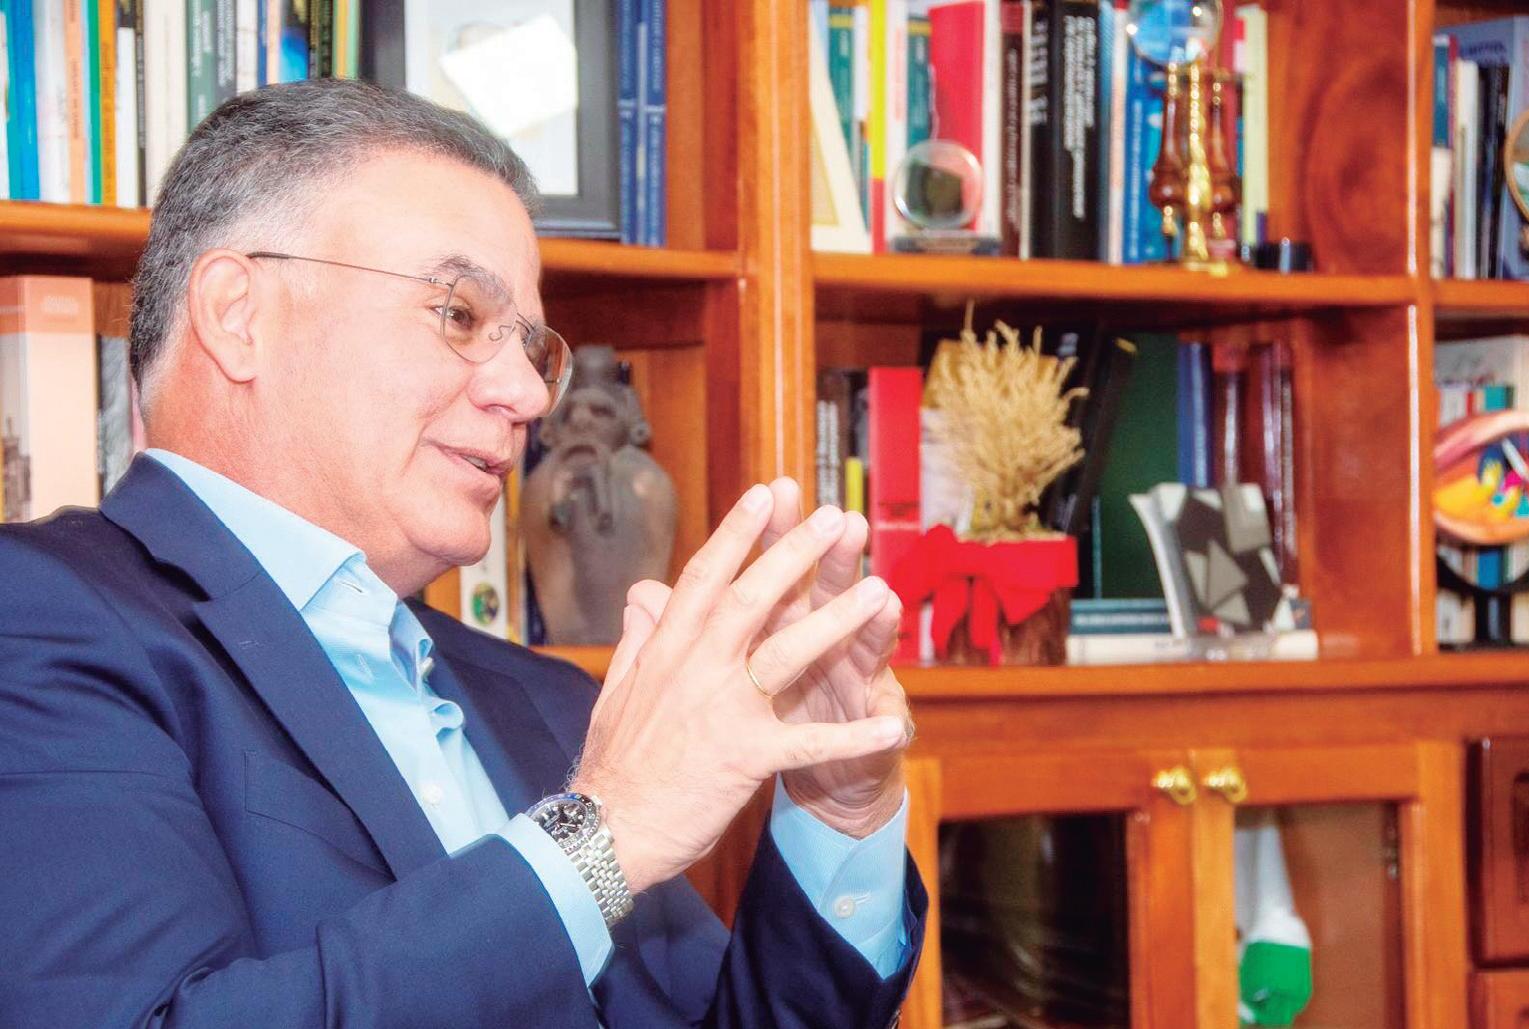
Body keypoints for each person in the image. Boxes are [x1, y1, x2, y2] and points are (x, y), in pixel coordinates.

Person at [0, 80, 924, 1027]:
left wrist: (836, 813)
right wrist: (600, 838)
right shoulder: (36, 614)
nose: (528, 394)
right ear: (239, 315)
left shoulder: (553, 702)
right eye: (460, 315)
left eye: (532, 348)